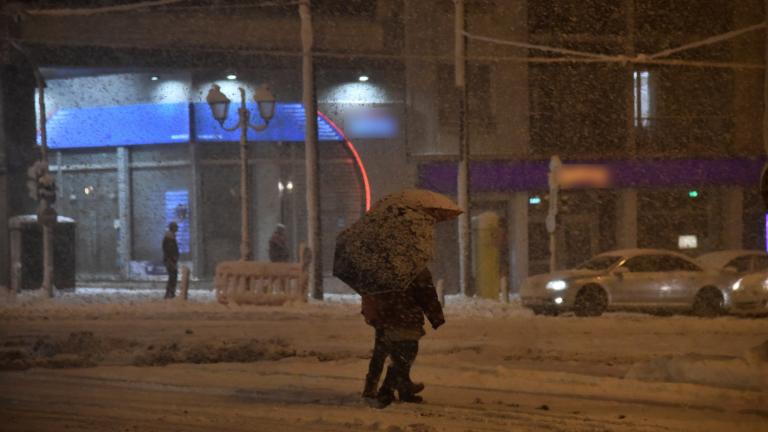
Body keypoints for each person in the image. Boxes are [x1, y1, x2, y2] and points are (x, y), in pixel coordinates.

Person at [360, 268, 445, 408]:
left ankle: (379, 387)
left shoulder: (379, 269)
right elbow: (427, 295)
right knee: (404, 357)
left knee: (383, 354)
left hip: (385, 319)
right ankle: (388, 390)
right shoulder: (415, 270)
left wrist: (373, 314)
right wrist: (435, 316)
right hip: (407, 319)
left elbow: (370, 294)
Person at [162, 221, 179, 299]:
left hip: (171, 260)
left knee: (173, 276)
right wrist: (172, 259)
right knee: (172, 276)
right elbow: (170, 250)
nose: (177, 229)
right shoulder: (169, 238)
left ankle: (170, 293)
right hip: (170, 260)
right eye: (176, 227)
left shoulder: (170, 237)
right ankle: (170, 293)